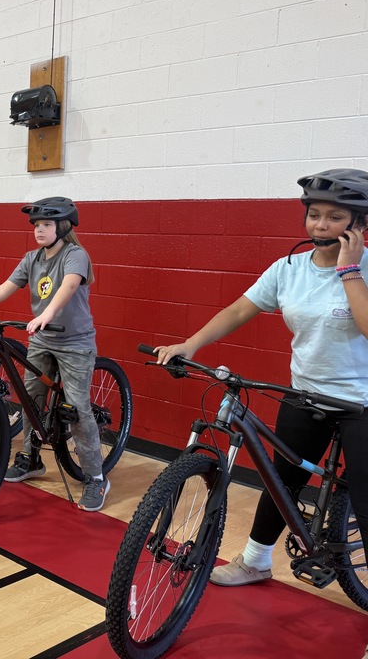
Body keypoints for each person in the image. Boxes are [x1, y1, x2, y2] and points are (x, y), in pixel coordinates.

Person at [156, 168, 368, 585]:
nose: (320, 225)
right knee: (281, 480)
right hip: (307, 393)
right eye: (314, 214)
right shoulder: (288, 268)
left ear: (359, 225)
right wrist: (191, 343)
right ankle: (255, 560)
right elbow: (239, 309)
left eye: (335, 217)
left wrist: (349, 271)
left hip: (361, 400)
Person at [0, 197, 109, 512]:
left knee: (77, 409)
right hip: (42, 339)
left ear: (63, 226)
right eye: (36, 225)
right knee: (29, 398)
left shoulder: (75, 255)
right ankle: (31, 458)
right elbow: (4, 289)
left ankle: (96, 479)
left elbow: (69, 286)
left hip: (75, 342)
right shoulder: (31, 258)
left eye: (46, 225)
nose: (39, 230)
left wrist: (46, 313)